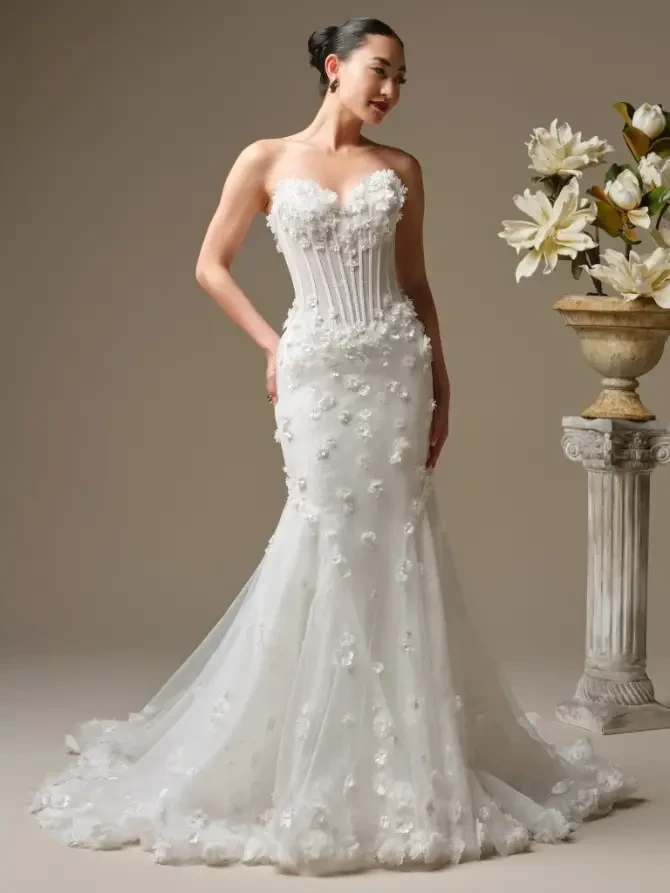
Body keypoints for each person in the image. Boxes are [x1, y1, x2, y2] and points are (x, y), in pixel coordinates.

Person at [28, 17, 636, 877]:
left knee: (397, 542)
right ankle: (310, 751)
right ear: (333, 66)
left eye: (400, 80)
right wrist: (273, 346)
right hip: (315, 371)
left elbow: (417, 283)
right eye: (379, 72)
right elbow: (212, 263)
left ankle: (407, 753)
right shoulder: (266, 160)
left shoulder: (402, 171)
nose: (390, 91)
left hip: (397, 367)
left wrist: (445, 379)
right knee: (324, 537)